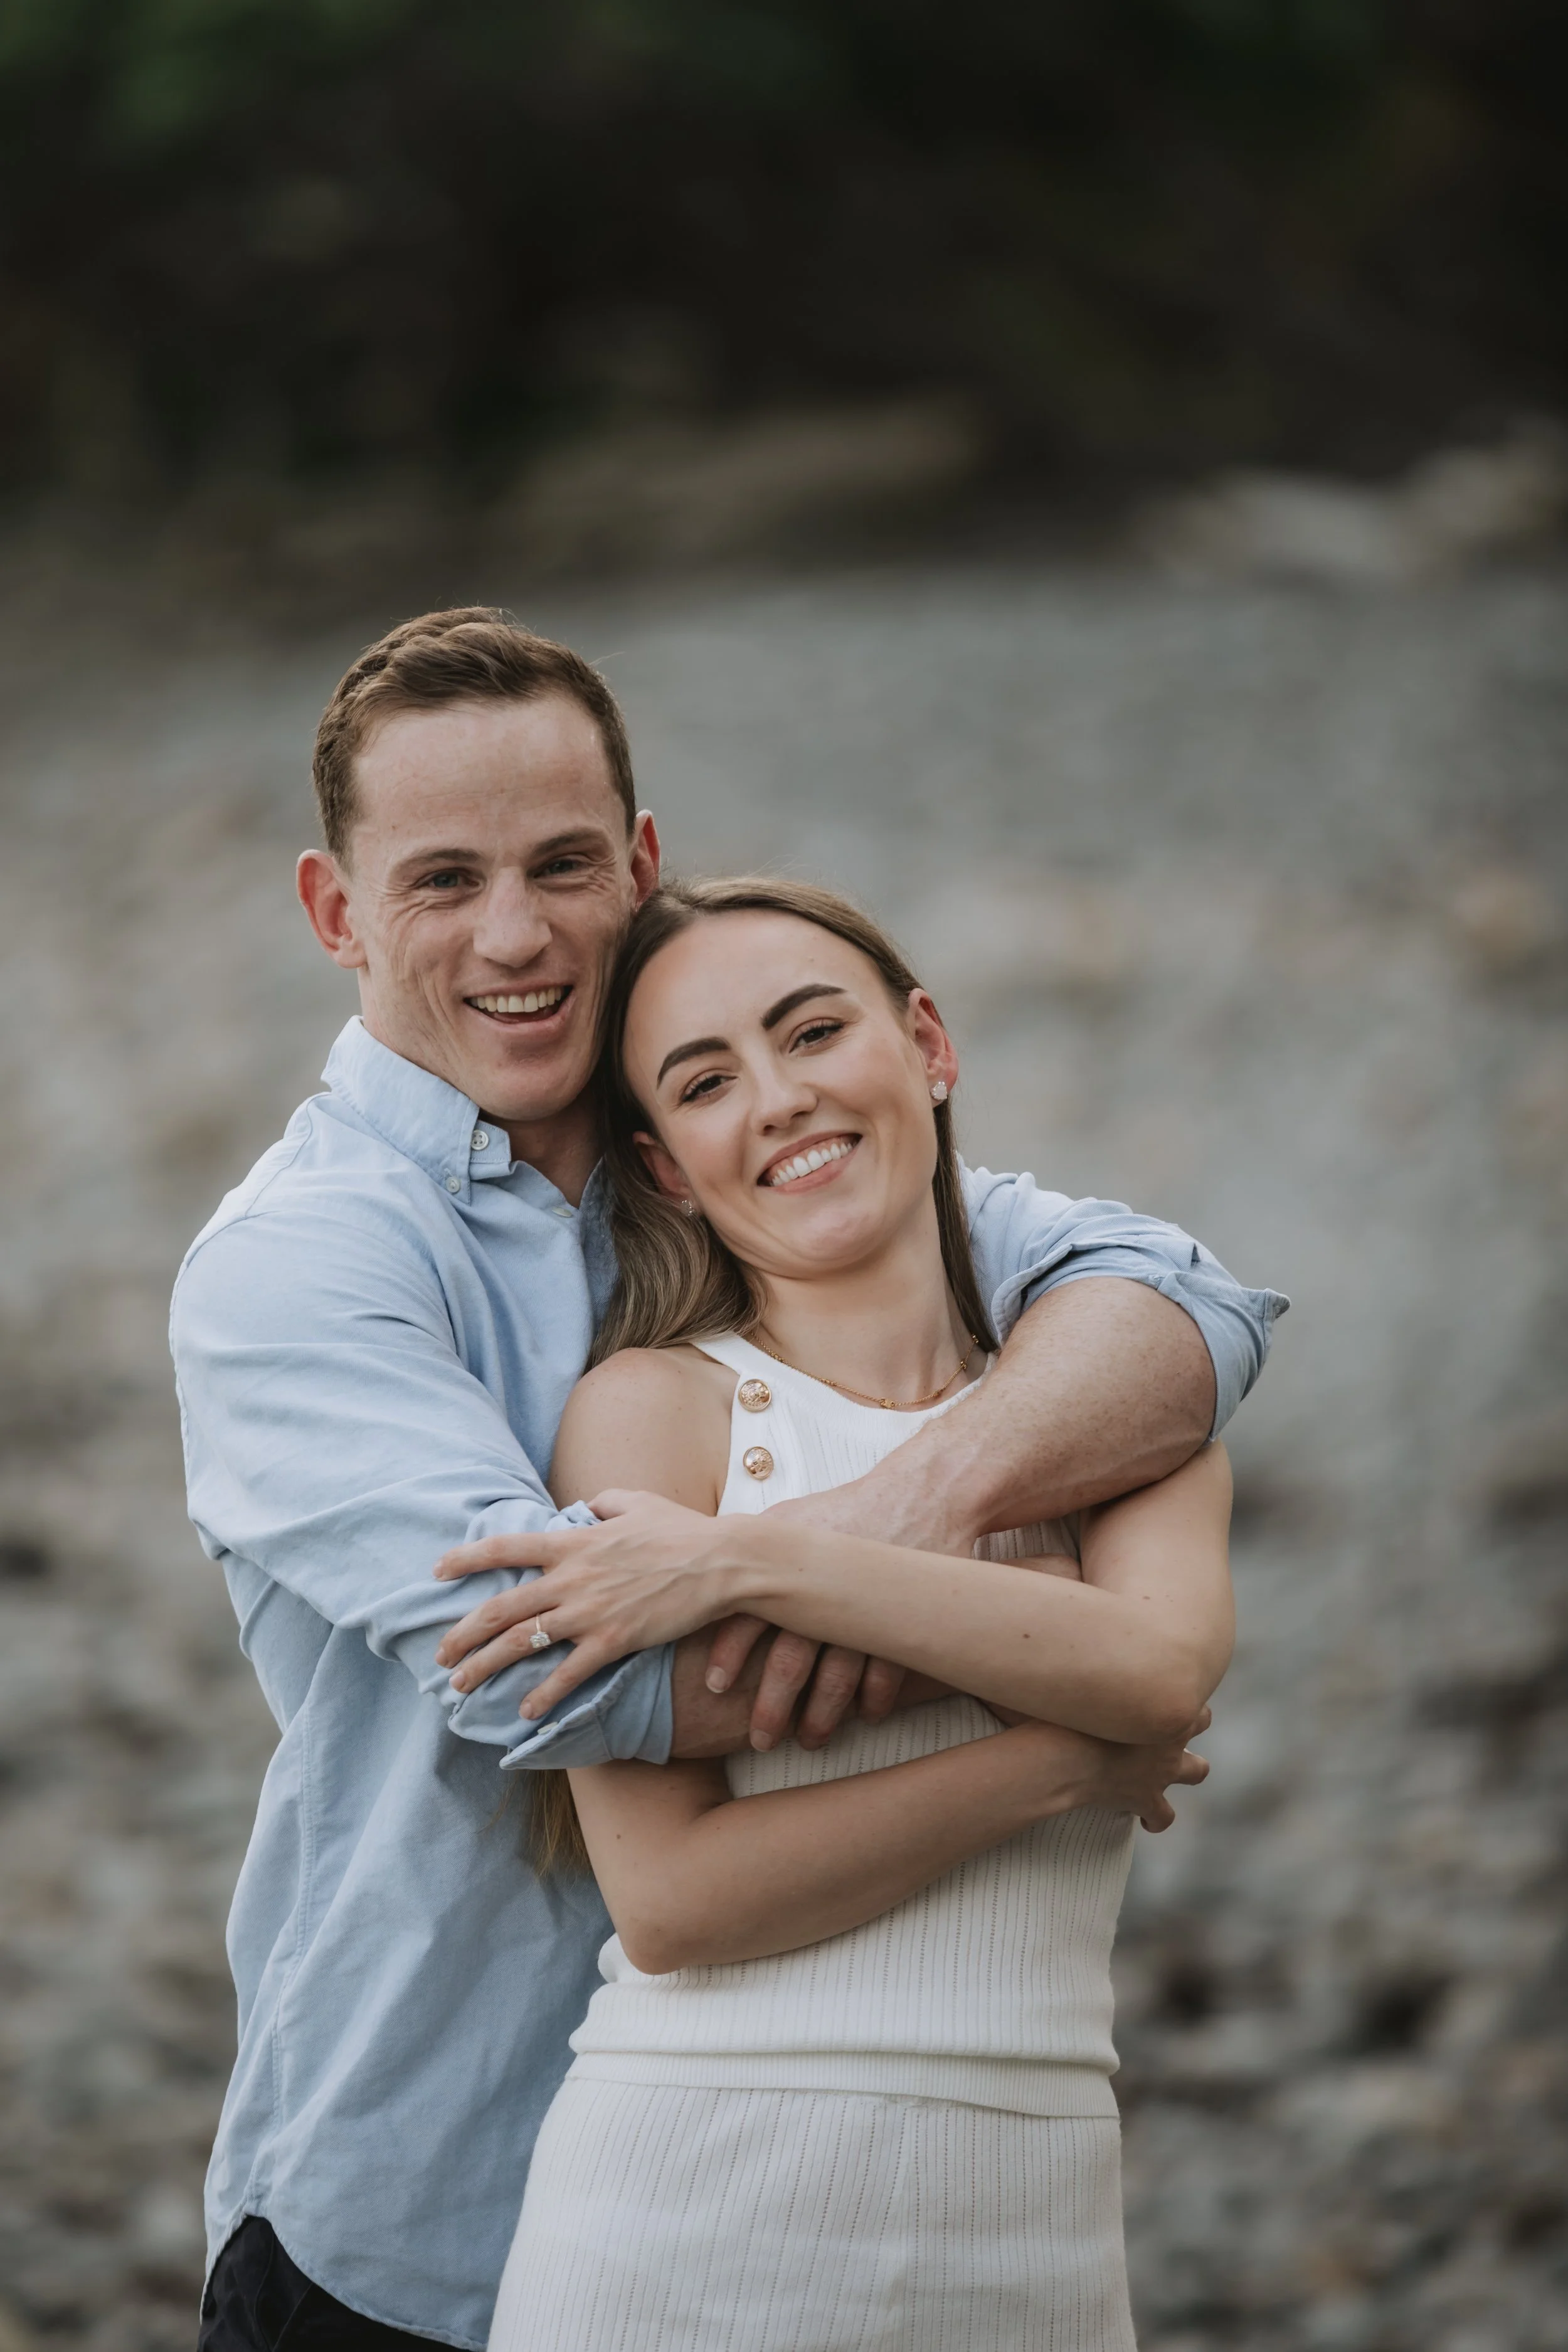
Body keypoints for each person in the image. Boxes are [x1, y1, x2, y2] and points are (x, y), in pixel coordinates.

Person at [170, 607, 1285, 2350]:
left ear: (639, 864)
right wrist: (1076, 1667)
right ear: (337, 913)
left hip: (884, 2189)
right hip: (418, 2212)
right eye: (444, 880)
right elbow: (562, 1668)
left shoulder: (754, 1156)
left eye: (562, 864)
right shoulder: (302, 1264)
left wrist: (874, 1522)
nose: (517, 933)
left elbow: (1172, 1307)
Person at [436, 877, 1232, 2351]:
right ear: (666, 1170)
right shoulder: (649, 1413)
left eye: (812, 1032)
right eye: (705, 1083)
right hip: (680, 2220)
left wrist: (749, 1565)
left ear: (925, 1044)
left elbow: (1159, 1672)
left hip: (1038, 2229)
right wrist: (1061, 1756)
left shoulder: (1115, 1406)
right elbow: (673, 1905)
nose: (779, 1099)